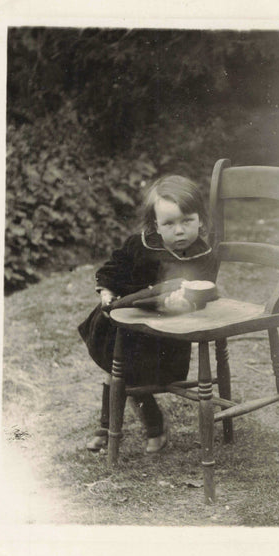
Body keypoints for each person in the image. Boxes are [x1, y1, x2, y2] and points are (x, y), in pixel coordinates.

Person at [78, 175, 218, 453]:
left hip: (166, 333)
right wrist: (106, 291)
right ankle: (111, 426)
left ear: (200, 219)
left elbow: (203, 291)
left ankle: (153, 428)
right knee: (114, 370)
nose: (179, 231)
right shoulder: (140, 244)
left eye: (187, 220)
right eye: (169, 223)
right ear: (155, 225)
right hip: (122, 322)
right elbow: (112, 269)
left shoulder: (203, 256)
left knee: (128, 373)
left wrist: (186, 305)